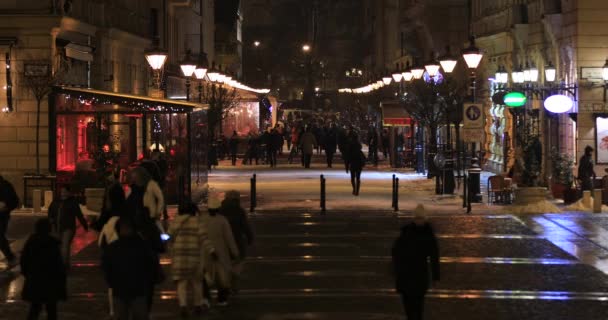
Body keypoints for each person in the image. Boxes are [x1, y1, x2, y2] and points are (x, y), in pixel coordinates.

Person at [102, 218, 159, 320]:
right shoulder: (142, 246)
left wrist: (111, 282)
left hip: (125, 289)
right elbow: (151, 265)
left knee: (124, 314)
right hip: (135, 289)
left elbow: (106, 267)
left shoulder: (113, 248)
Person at [391, 204, 440, 320]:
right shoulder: (408, 232)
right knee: (409, 307)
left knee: (417, 307)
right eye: (417, 218)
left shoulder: (426, 233)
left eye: (421, 218)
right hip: (407, 275)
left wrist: (436, 276)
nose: (419, 221)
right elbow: (396, 252)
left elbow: (434, 256)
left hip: (418, 275)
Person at [169, 202, 215, 318]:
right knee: (197, 282)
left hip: (179, 256)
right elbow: (204, 238)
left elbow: (169, 235)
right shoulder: (197, 221)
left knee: (182, 283)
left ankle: (183, 305)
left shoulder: (175, 222)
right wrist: (212, 250)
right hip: (194, 256)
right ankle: (198, 305)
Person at [21, 218, 66, 320]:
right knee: (51, 310)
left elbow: (24, 261)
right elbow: (58, 265)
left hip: (35, 280)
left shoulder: (31, 242)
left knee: (35, 308)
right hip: (50, 282)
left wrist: (27, 274)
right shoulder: (53, 244)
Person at [201, 196, 239, 306]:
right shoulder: (222, 220)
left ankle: (205, 298)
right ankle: (222, 299)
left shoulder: (202, 219)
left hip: (205, 252)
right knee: (222, 276)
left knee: (206, 275)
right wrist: (235, 252)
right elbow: (229, 238)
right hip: (221, 252)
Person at [219, 190, 254, 293]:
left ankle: (226, 283)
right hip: (238, 241)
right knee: (238, 262)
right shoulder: (240, 211)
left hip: (223, 243)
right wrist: (249, 238)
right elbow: (245, 226)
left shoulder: (220, 210)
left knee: (225, 263)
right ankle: (233, 282)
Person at [47, 185, 89, 268]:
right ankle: (65, 264)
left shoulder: (72, 202)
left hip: (68, 228)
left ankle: (63, 266)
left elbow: (79, 215)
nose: (63, 194)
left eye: (65, 192)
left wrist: (85, 225)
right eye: (62, 192)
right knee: (60, 246)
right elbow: (50, 211)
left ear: (69, 193)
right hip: (57, 227)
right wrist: (51, 221)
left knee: (65, 246)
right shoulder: (56, 201)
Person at [0, 175, 19, 266]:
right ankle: (10, 257)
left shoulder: (5, 185)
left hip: (1, 216)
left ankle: (10, 257)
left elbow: (14, 201)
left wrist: (6, 205)